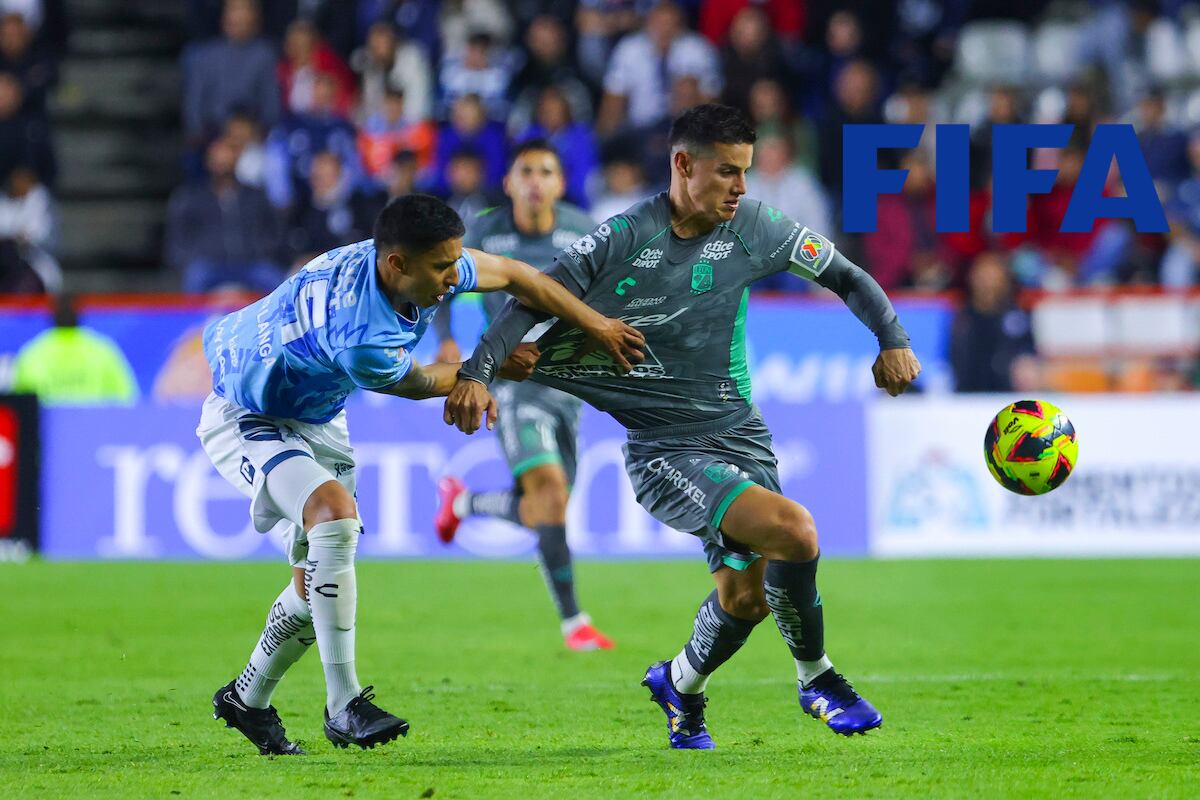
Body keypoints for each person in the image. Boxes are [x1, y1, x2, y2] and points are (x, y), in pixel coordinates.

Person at [445, 105, 920, 747]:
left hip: (742, 433)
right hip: (665, 450)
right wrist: (476, 371)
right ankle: (817, 678)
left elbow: (845, 274)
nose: (741, 187)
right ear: (683, 164)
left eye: (745, 171)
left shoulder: (757, 227)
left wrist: (892, 337)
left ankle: (678, 685)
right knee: (795, 531)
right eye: (727, 172)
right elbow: (532, 299)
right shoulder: (624, 236)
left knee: (746, 598)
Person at [198, 193, 643, 756]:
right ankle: (344, 704)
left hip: (315, 410)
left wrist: (599, 325)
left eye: (456, 261)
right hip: (249, 410)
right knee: (334, 517)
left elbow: (519, 276)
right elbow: (421, 383)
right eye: (441, 267)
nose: (452, 277)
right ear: (396, 264)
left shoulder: (422, 261)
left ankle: (247, 699)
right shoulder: (361, 333)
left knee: (315, 588)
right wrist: (488, 366)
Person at [432, 140, 614, 651]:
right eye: (526, 171)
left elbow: (612, 289)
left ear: (560, 184)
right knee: (550, 496)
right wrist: (445, 338)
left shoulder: (584, 230)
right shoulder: (486, 231)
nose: (536, 181)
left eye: (546, 172)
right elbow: (442, 280)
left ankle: (463, 502)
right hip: (512, 381)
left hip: (569, 384)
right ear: (509, 183)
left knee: (544, 509)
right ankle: (575, 624)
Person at [11, 292, 139, 405]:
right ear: (80, 315)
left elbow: (21, 407)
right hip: (95, 424)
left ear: (51, 316)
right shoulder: (102, 350)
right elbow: (128, 400)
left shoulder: (32, 353)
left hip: (47, 426)